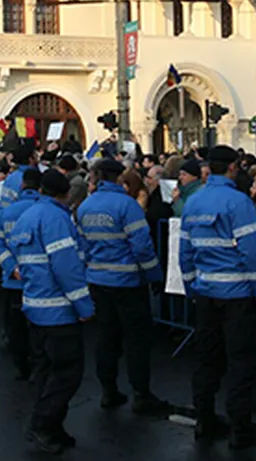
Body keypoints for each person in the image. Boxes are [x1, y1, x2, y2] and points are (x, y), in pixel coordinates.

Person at [178, 145, 256, 450]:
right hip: (238, 295)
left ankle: (204, 420)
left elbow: (186, 252)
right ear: (233, 167)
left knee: (206, 360)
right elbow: (253, 252)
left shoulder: (193, 202)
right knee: (241, 363)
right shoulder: (239, 202)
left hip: (205, 293)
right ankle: (240, 429)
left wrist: (192, 287)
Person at [9, 169, 94, 454]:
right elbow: (65, 266)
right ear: (66, 194)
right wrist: (84, 306)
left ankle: (53, 428)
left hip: (35, 306)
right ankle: (42, 423)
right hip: (59, 310)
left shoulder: (26, 217)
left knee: (46, 371)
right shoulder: (56, 218)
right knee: (68, 373)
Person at [75, 158, 168, 415]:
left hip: (98, 282)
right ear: (118, 178)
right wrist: (154, 275)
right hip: (128, 283)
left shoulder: (85, 207)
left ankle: (109, 391)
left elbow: (82, 248)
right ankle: (141, 394)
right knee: (137, 341)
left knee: (106, 338)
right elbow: (142, 246)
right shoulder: (127, 206)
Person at [0, 166, 42, 379]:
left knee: (17, 327)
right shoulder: (46, 211)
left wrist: (11, 267)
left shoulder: (6, 212)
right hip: (41, 281)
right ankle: (39, 367)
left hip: (14, 280)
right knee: (39, 328)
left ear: (22, 186)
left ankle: (21, 367)